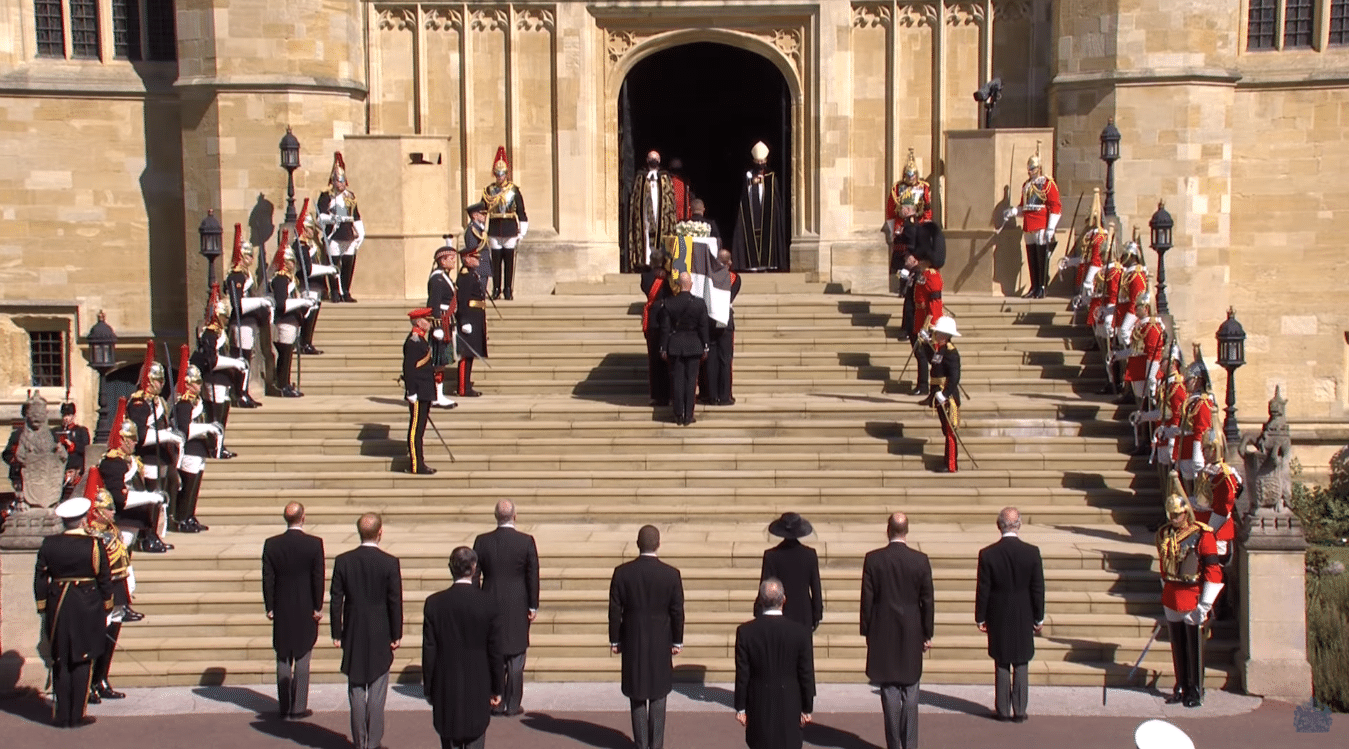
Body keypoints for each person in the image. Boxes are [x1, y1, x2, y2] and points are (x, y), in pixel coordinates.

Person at [34, 495, 114, 727]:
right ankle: (76, 715)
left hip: (58, 603)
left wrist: (42, 606)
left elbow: (40, 578)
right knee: (82, 659)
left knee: (61, 659)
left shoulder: (49, 544)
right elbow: (104, 579)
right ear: (82, 520)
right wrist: (107, 606)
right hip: (87, 605)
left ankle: (62, 715)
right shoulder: (94, 544)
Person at [860, 512, 934, 749]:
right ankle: (909, 743)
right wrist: (927, 632)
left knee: (890, 688)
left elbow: (867, 599)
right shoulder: (920, 560)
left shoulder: (874, 559)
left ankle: (894, 743)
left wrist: (867, 631)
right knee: (911, 686)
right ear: (907, 531)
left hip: (883, 629)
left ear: (888, 530)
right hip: (912, 627)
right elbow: (928, 600)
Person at [331, 513, 404, 749]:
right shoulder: (389, 562)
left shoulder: (343, 561)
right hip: (380, 630)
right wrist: (396, 633)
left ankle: (359, 739)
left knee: (356, 689)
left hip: (353, 629)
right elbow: (395, 601)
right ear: (380, 532)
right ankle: (373, 741)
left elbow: (335, 600)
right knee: (377, 688)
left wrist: (336, 632)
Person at [609, 525, 685, 749]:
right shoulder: (671, 574)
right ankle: (656, 743)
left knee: (637, 692)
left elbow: (615, 609)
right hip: (661, 639)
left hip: (633, 638)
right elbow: (677, 610)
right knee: (659, 692)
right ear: (658, 544)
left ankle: (641, 743)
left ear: (637, 544)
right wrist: (677, 640)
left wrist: (615, 639)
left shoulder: (622, 572)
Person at [423, 547, 505, 749]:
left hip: (445, 681)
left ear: (451, 568)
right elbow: (495, 651)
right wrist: (497, 687)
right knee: (476, 738)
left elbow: (429, 650)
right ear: (474, 568)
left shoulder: (434, 603)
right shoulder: (488, 603)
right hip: (478, 681)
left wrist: (429, 687)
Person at [974, 507, 1045, 723]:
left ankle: (1003, 709)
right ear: (1019, 524)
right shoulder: (1032, 552)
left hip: (998, 612)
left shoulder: (988, 553)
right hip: (1024, 612)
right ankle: (1020, 709)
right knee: (1022, 660)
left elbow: (983, 588)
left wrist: (981, 616)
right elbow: (1037, 588)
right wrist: (1038, 617)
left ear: (999, 525)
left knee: (1002, 659)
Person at [473, 499, 540, 717]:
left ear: (496, 516)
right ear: (515, 516)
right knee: (516, 655)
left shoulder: (482, 541)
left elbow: (475, 574)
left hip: (489, 599)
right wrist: (533, 605)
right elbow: (532, 576)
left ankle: (496, 699)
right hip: (517, 601)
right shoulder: (526, 541)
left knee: (494, 652)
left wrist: (475, 600)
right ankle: (512, 703)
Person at [1155, 493, 1223, 708]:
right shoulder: (1165, 533)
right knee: (1178, 645)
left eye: (1178, 514)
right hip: (1172, 593)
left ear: (1186, 513)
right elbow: (1164, 564)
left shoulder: (1202, 534)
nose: (1174, 518)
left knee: (1194, 647)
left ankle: (1196, 688)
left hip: (1192, 595)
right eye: (1172, 514)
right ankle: (1181, 685)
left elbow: (1213, 569)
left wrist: (1205, 603)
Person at [734, 579, 815, 749]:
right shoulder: (800, 632)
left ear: (760, 600)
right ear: (783, 599)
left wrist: (741, 707)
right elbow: (806, 672)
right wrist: (807, 707)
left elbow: (743, 674)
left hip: (759, 702)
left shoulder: (746, 632)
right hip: (790, 702)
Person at [262, 501, 326, 720]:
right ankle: (298, 706)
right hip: (305, 606)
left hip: (281, 606)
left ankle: (284, 705)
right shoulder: (314, 544)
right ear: (303, 517)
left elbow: (268, 578)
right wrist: (318, 605)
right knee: (302, 655)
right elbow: (317, 577)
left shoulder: (272, 544)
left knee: (282, 656)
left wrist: (269, 606)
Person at [82, 473, 133, 704]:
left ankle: (101, 678)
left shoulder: (111, 529)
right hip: (100, 589)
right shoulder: (92, 534)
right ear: (99, 510)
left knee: (112, 631)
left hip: (117, 585)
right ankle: (89, 681)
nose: (113, 512)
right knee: (96, 636)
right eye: (109, 509)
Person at [98, 397, 171, 554]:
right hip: (122, 519)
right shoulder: (113, 463)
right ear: (122, 440)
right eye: (131, 440)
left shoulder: (129, 460)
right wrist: (150, 497)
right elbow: (119, 497)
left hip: (134, 519)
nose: (135, 443)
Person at [1003, 143, 1062, 298]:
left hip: (1041, 223)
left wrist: (1051, 228)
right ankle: (1034, 286)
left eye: (1033, 168)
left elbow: (1055, 206)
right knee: (1031, 257)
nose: (1030, 172)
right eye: (1029, 169)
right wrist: (1014, 211)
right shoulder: (1026, 185)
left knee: (1041, 256)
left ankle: (1042, 286)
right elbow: (1025, 206)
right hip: (1028, 224)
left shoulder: (1047, 184)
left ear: (1039, 168)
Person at [171, 345, 219, 532]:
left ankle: (190, 515)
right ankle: (182, 518)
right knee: (188, 487)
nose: (199, 385)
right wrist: (206, 428)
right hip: (189, 449)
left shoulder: (197, 402)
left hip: (200, 449)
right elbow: (184, 430)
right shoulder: (184, 403)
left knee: (195, 487)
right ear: (189, 384)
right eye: (197, 382)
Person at [192, 284, 243, 458]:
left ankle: (219, 445)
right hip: (215, 380)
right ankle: (215, 448)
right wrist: (234, 363)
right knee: (216, 416)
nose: (226, 319)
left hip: (223, 379)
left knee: (222, 415)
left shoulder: (219, 332)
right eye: (224, 316)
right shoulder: (211, 334)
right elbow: (212, 360)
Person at [126, 341, 182, 496]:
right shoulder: (139, 403)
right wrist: (167, 436)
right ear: (149, 380)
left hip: (163, 458)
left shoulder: (159, 401)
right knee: (155, 507)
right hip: (149, 459)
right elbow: (140, 435)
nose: (162, 383)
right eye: (159, 380)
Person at [223, 223, 270, 408]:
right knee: (241, 359)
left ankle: (244, 392)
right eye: (249, 255)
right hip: (241, 322)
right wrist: (260, 302)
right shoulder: (236, 276)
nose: (252, 258)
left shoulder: (245, 275)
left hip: (249, 324)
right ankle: (239, 393)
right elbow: (238, 303)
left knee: (247, 359)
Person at [756, 513, 822, 632]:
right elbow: (816, 588)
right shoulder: (809, 555)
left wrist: (759, 610)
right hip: (803, 615)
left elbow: (765, 586)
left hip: (779, 613)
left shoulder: (771, 556)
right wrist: (817, 614)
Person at [659, 274, 710, 426]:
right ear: (691, 284)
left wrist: (663, 347)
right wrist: (706, 345)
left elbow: (665, 328)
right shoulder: (699, 304)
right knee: (691, 381)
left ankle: (678, 414)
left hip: (675, 345)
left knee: (677, 380)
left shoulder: (668, 303)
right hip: (694, 345)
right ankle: (688, 414)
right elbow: (703, 327)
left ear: (679, 285)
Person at [731, 141, 789, 272]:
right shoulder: (748, 176)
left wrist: (763, 181)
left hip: (767, 213)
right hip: (751, 212)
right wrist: (751, 182)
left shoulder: (772, 176)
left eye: (762, 161)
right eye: (757, 161)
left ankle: (770, 264)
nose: (760, 164)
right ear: (753, 160)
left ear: (766, 160)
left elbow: (775, 198)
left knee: (767, 235)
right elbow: (743, 195)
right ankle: (751, 264)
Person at [269, 244, 319, 398]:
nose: (293, 264)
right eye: (291, 261)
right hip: (285, 320)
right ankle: (281, 384)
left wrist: (306, 306)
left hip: (293, 320)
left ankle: (286, 383)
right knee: (285, 355)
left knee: (288, 354)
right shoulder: (280, 280)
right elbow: (282, 304)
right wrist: (301, 303)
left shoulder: (291, 280)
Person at [317, 151, 365, 302]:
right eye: (338, 181)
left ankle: (346, 290)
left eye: (343, 181)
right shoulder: (326, 197)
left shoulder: (350, 197)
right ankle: (335, 291)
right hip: (333, 236)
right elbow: (320, 217)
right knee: (333, 265)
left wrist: (361, 233)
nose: (341, 184)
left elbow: (355, 215)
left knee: (348, 265)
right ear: (333, 181)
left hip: (348, 235)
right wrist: (332, 218)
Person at [482, 146, 527, 300]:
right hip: (495, 228)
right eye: (497, 174)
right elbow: (483, 210)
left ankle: (508, 289)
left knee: (509, 260)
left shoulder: (513, 190)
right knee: (496, 261)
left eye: (502, 174)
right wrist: (481, 227)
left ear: (506, 174)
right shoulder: (489, 190)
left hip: (509, 227)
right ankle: (496, 288)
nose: (499, 177)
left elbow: (520, 210)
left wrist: (522, 230)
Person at [923, 316, 963, 473]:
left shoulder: (951, 353)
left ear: (945, 335)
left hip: (948, 397)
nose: (935, 335)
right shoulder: (940, 350)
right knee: (945, 430)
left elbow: (954, 377)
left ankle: (951, 464)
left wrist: (945, 394)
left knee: (950, 431)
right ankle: (947, 460)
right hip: (938, 393)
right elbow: (932, 361)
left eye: (938, 333)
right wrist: (926, 343)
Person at [886, 148, 934, 276]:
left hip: (919, 224)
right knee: (902, 259)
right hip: (901, 226)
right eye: (908, 175)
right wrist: (892, 230)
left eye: (912, 175)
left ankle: (916, 280)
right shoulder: (897, 188)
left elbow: (927, 209)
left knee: (918, 257)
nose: (910, 178)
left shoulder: (923, 187)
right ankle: (903, 283)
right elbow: (891, 210)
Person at [626, 150, 677, 270]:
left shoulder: (665, 177)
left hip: (661, 214)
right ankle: (646, 261)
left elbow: (669, 200)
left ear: (659, 161)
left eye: (656, 158)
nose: (653, 160)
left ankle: (661, 261)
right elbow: (636, 198)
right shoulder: (640, 177)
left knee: (661, 233)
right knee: (646, 233)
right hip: (645, 215)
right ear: (647, 160)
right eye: (651, 158)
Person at [1176, 350, 1217, 497]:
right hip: (1185, 450)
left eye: (1189, 380)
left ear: (1198, 380)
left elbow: (1201, 429)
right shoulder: (1192, 401)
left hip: (1195, 452)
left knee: (1196, 491)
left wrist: (1197, 454)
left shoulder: (1202, 402)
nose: (1186, 384)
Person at [403, 308, 438, 476]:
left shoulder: (421, 340)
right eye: (427, 320)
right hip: (417, 390)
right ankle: (416, 464)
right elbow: (409, 369)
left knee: (420, 429)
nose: (429, 323)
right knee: (415, 430)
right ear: (419, 322)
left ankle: (420, 461)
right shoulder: (413, 341)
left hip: (425, 390)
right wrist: (411, 391)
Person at [1059, 188, 1108, 309]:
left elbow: (1097, 257)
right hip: (1086, 266)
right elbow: (1085, 257)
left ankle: (1088, 305)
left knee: (1088, 285)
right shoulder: (1089, 234)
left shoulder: (1101, 235)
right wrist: (1070, 262)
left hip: (1097, 267)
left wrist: (1090, 273)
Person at [426, 243, 460, 409]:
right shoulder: (437, 279)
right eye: (451, 258)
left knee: (442, 362)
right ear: (442, 260)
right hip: (441, 323)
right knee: (438, 362)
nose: (454, 261)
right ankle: (436, 395)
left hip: (448, 321)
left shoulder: (444, 276)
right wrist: (437, 325)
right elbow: (434, 303)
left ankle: (439, 394)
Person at [706, 249, 742, 407]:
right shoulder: (734, 277)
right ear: (727, 263)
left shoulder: (709, 277)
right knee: (725, 359)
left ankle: (712, 395)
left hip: (711, 319)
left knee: (712, 359)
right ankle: (724, 395)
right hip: (725, 319)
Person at [640, 249, 674, 407]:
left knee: (654, 360)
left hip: (653, 318)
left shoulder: (646, 276)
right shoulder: (667, 277)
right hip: (666, 317)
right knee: (666, 358)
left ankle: (657, 395)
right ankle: (668, 394)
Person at [907, 253, 943, 396]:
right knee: (925, 354)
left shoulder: (929, 276)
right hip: (923, 317)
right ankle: (927, 384)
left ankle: (927, 385)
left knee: (926, 354)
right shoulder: (930, 274)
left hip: (926, 319)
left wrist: (927, 323)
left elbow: (927, 301)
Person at [456, 247, 489, 397]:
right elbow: (462, 300)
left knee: (471, 353)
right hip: (469, 317)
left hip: (476, 317)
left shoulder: (472, 274)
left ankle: (467, 383)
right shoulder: (465, 276)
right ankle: (463, 387)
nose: (478, 260)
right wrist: (464, 320)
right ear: (467, 259)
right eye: (475, 258)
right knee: (466, 353)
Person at [56, 401, 90, 499]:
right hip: (61, 469)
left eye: (69, 415)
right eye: (64, 415)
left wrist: (73, 446)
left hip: (76, 468)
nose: (66, 418)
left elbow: (86, 449)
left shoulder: (81, 431)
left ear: (74, 416)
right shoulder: (56, 431)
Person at [462, 201, 492, 287]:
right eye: (482, 214)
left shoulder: (480, 230)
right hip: (478, 267)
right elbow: (472, 250)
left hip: (483, 267)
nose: (485, 216)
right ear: (474, 215)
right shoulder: (472, 230)